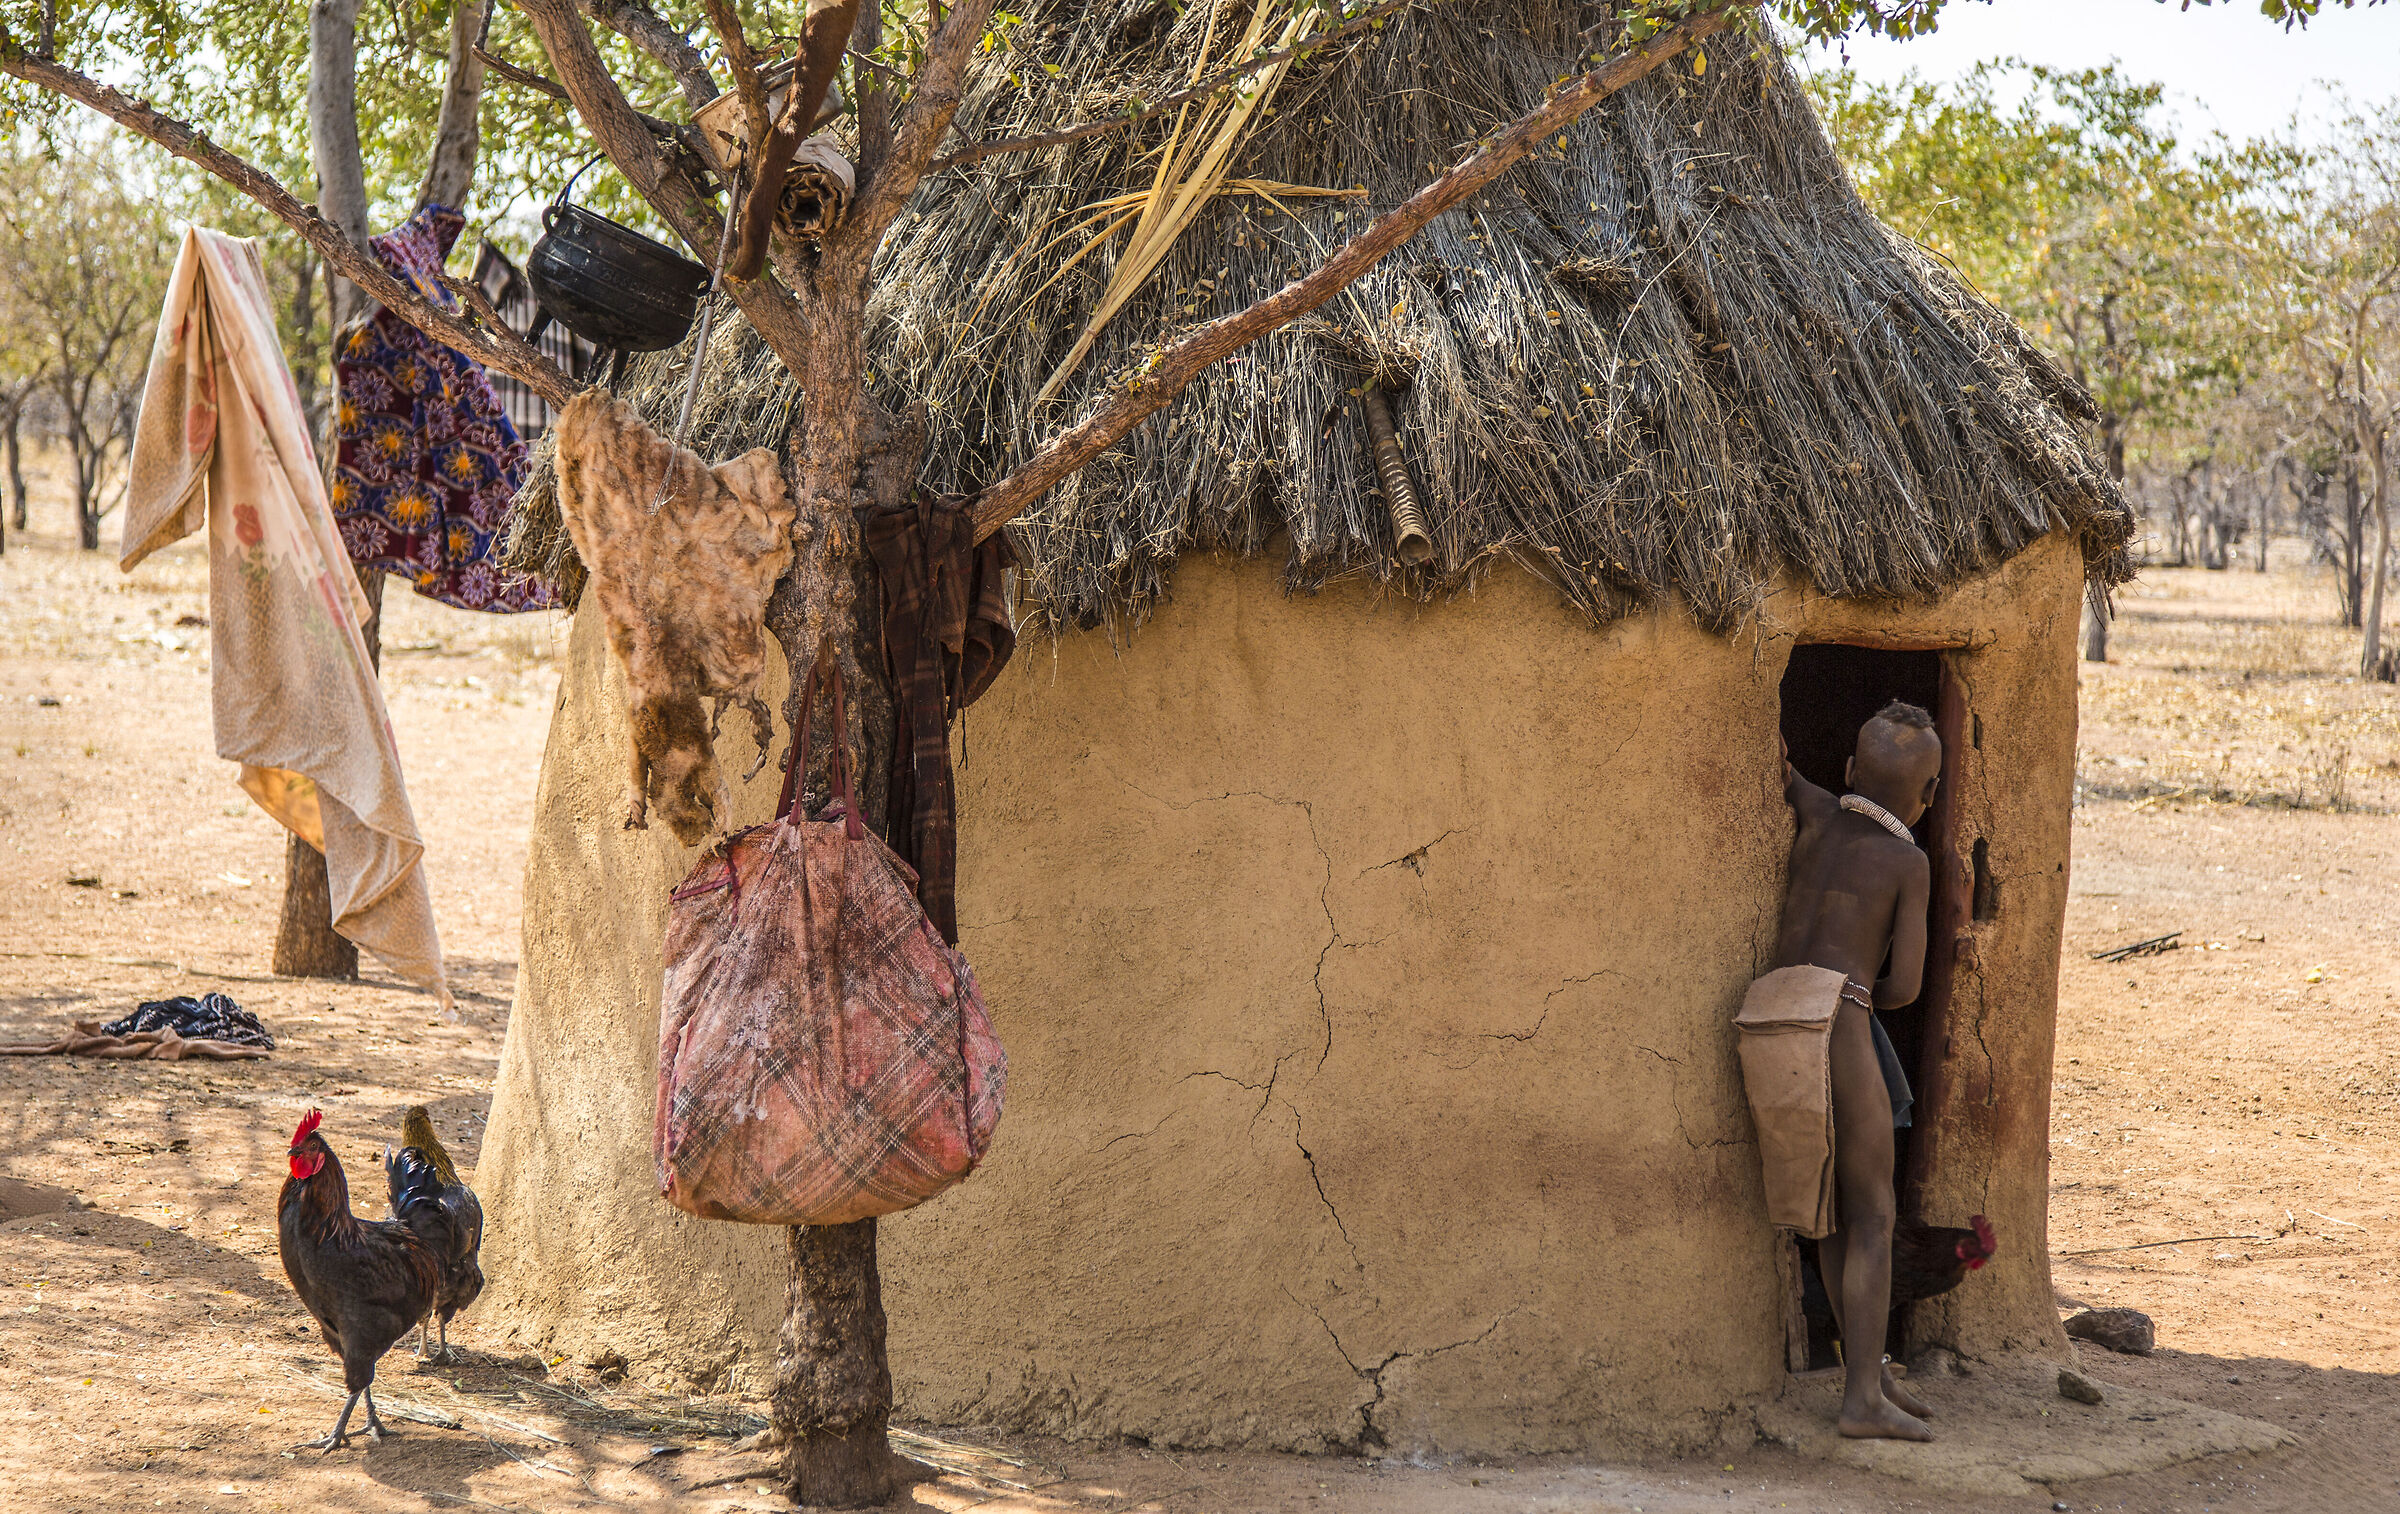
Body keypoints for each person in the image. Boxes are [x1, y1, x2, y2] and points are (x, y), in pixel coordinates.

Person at [1774, 699, 1941, 1440]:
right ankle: (1861, 1403)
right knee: (1874, 1212)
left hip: (1772, 1016)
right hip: (1837, 1020)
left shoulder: (1817, 812)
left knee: (1835, 1214)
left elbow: (1777, 767)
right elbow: (1903, 987)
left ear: (1848, 771)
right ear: (1928, 797)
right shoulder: (1909, 861)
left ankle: (1864, 1378)